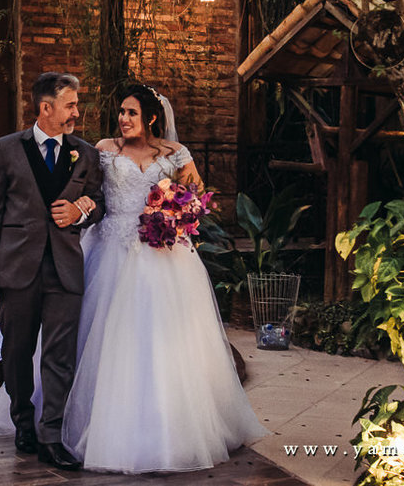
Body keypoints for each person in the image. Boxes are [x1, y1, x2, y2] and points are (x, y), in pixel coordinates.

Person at [59, 84, 266, 473]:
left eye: (132, 112)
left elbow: (198, 198)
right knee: (103, 334)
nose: (123, 119)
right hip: (110, 249)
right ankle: (94, 420)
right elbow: (88, 192)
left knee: (158, 340)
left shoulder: (174, 154)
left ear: (152, 118)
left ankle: (168, 429)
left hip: (160, 252)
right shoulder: (104, 149)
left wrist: (175, 214)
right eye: (121, 111)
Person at [0, 72, 105, 471]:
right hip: (17, 267)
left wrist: (79, 209)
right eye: (69, 105)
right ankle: (22, 422)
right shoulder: (7, 148)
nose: (76, 113)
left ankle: (51, 436)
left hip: (66, 269)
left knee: (60, 356)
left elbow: (99, 201)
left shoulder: (85, 153)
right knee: (16, 352)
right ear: (45, 107)